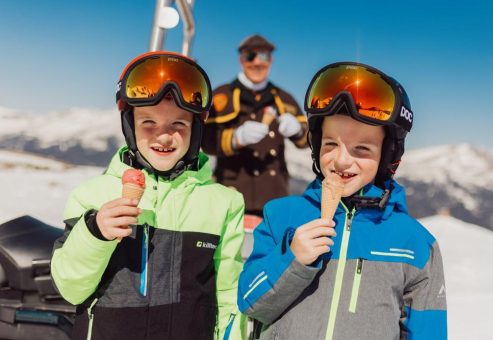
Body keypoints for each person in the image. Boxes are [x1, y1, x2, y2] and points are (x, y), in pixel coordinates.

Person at [237, 62, 447, 339]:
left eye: (362, 148)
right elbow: (250, 303)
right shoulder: (281, 216)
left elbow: (427, 333)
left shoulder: (415, 244)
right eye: (330, 144)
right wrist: (293, 259)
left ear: (388, 154)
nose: (341, 160)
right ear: (316, 145)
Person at [51, 51, 246, 340]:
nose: (164, 136)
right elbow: (71, 288)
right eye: (148, 124)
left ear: (196, 130)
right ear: (130, 127)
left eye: (178, 125)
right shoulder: (92, 196)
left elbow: (228, 297)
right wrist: (95, 232)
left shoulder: (224, 203)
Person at [202, 34, 308, 217]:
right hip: (230, 193)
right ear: (241, 59)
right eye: (250, 56)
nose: (257, 63)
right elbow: (206, 141)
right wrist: (236, 138)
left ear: (271, 60)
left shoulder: (284, 98)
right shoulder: (221, 95)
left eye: (264, 56)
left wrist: (298, 131)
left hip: (274, 196)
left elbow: (307, 141)